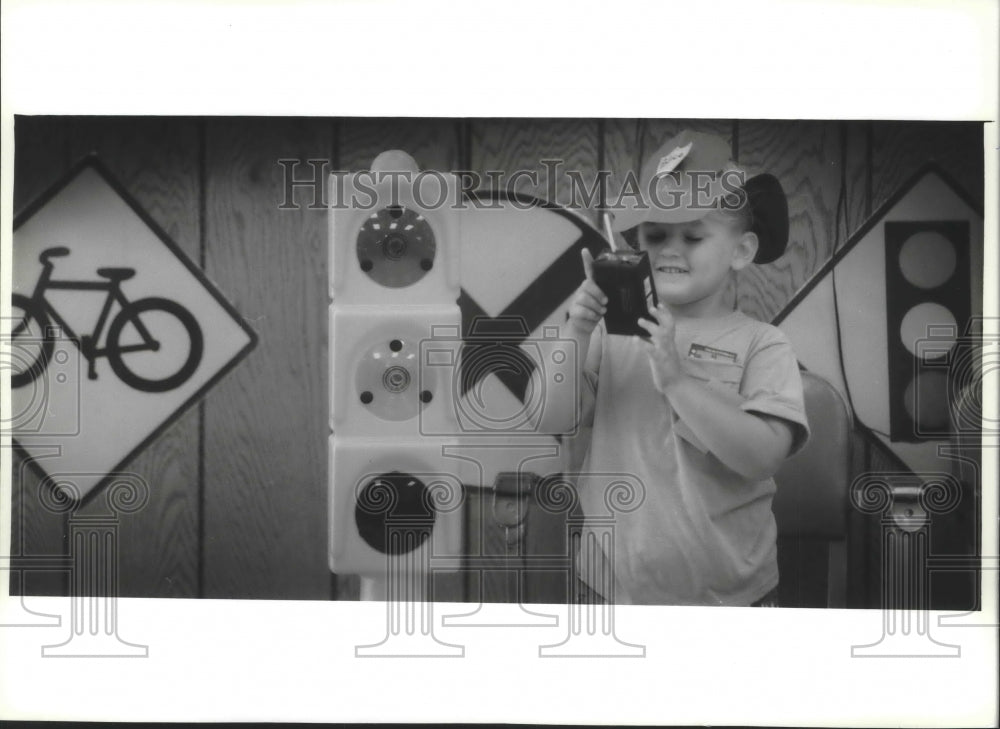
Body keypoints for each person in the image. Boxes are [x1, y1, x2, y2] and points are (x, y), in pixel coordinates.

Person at [561, 130, 810, 606]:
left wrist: (676, 381)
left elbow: (762, 458)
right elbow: (547, 419)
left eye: (693, 235)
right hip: (609, 587)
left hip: (733, 596)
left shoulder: (764, 344)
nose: (670, 249)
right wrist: (575, 331)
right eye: (655, 235)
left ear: (740, 251)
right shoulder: (605, 334)